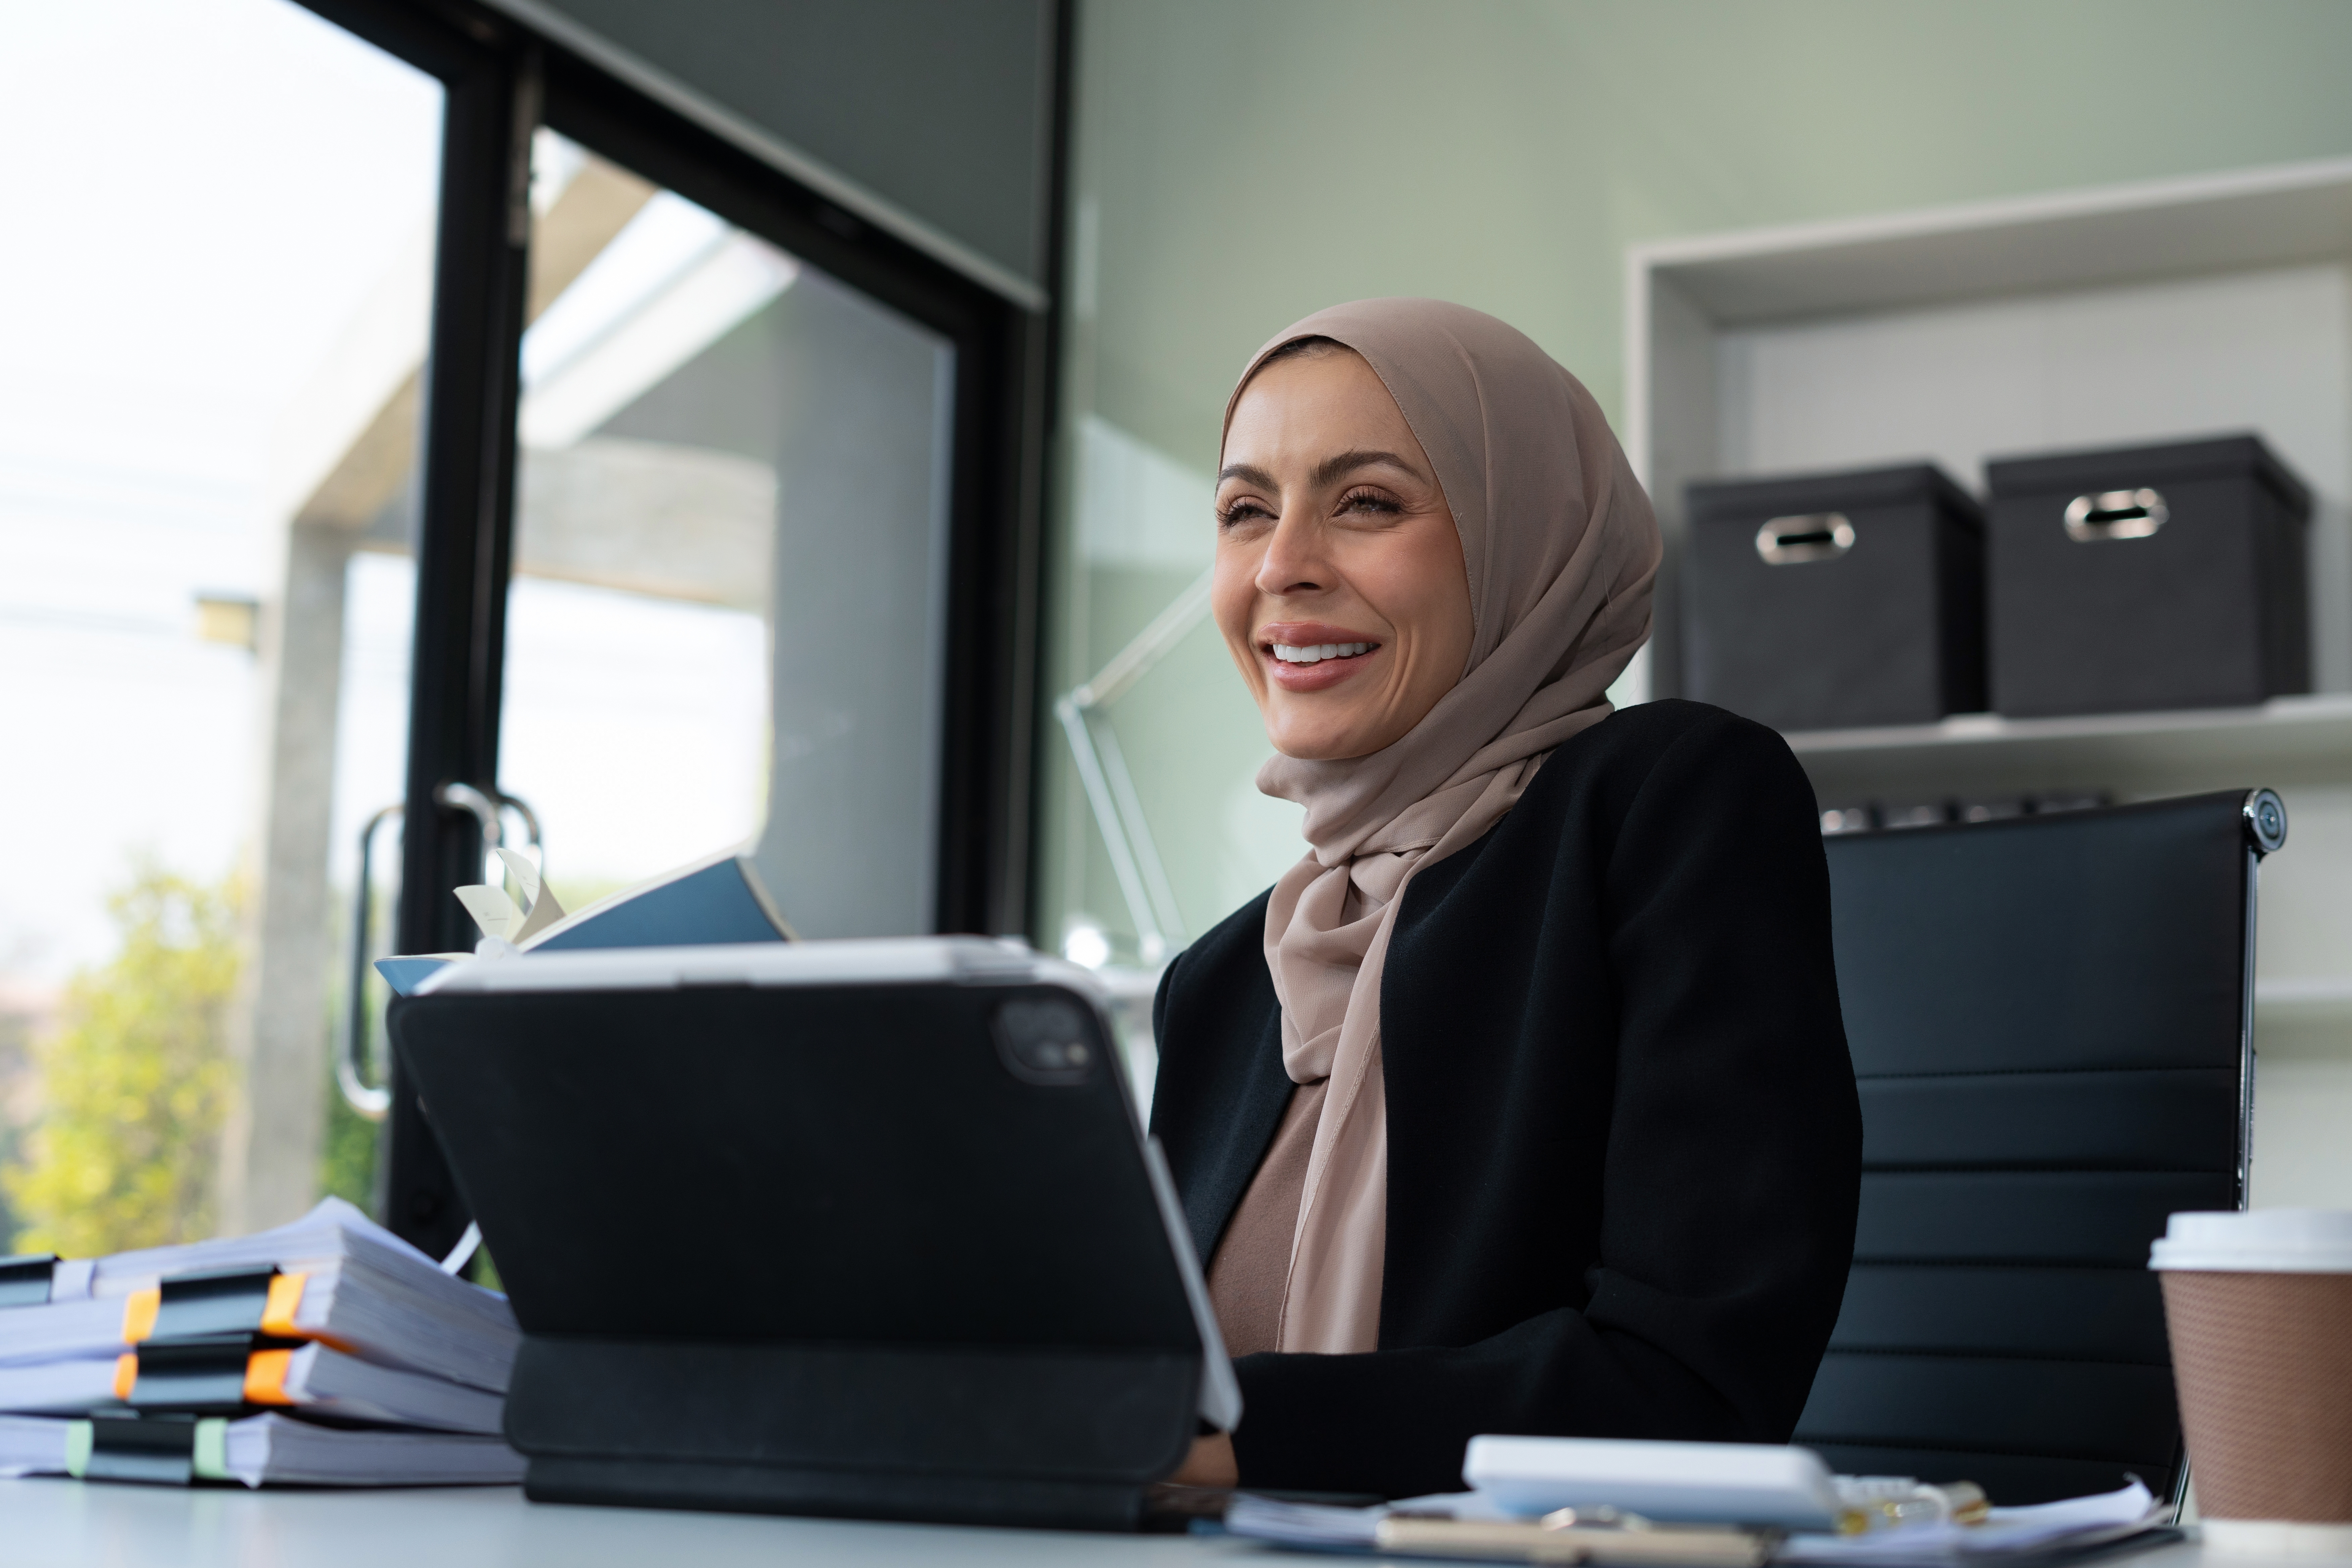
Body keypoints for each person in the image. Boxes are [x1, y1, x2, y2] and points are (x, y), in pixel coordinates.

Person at [1151, 299, 1861, 1499]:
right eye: (1244, 512)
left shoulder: (1663, 805)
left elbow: (1685, 1390)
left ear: (1526, 536)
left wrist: (1209, 1443)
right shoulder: (1220, 984)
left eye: (1367, 502)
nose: (1281, 566)